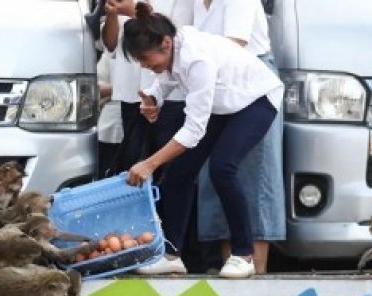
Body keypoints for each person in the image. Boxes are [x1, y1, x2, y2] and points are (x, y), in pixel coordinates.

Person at [122, 3, 284, 279]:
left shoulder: (197, 58)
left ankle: (243, 255)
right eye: (140, 62)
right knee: (180, 171)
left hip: (256, 99)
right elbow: (167, 77)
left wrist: (149, 163)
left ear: (166, 42)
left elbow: (193, 131)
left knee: (222, 167)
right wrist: (154, 97)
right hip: (224, 103)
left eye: (146, 60)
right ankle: (172, 254)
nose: (146, 66)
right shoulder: (175, 47)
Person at [193, 0, 285, 275]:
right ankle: (230, 270)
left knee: (252, 182)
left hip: (250, 80)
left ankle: (256, 276)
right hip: (216, 82)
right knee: (218, 178)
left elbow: (234, 44)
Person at [102, 0, 193, 177]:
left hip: (171, 94)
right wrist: (112, 13)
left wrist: (133, 12)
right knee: (131, 160)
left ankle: (164, 205)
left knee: (168, 167)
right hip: (131, 92)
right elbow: (110, 44)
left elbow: (171, 34)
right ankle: (139, 204)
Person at [97, 49, 124, 178]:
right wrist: (126, 89)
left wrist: (113, 90)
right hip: (110, 130)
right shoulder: (111, 53)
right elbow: (95, 90)